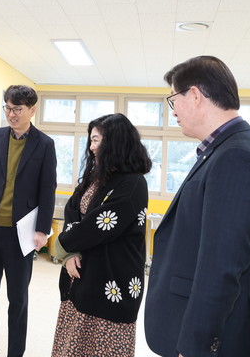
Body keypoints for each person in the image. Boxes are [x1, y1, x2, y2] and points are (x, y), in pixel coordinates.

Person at [144, 56, 250, 357]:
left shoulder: (237, 157)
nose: (173, 111)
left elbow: (222, 266)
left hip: (225, 338)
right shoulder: (227, 150)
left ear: (194, 95)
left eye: (173, 100)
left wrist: (195, 345)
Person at [51, 113, 151, 357]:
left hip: (112, 284)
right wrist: (70, 254)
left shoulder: (133, 183)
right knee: (73, 346)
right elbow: (72, 208)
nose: (92, 147)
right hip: (82, 278)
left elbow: (99, 225)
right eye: (91, 140)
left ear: (115, 143)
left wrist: (62, 245)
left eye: (96, 140)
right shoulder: (97, 176)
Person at [0, 84, 57, 357]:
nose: (11, 114)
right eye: (7, 108)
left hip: (22, 234)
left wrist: (42, 230)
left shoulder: (44, 144)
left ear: (32, 110)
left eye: (17, 109)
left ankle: (15, 352)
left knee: (17, 298)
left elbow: (47, 190)